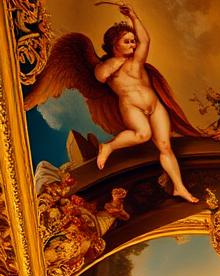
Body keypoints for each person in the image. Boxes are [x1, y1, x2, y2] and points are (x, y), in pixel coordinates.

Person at [24, 5, 206, 202]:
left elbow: (146, 40)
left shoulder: (136, 61)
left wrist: (133, 17)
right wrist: (117, 60)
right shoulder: (107, 66)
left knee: (165, 146)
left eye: (132, 41)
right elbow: (100, 76)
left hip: (155, 106)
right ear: (114, 44)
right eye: (127, 41)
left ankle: (179, 187)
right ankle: (109, 147)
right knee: (142, 134)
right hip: (131, 107)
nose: (133, 45)